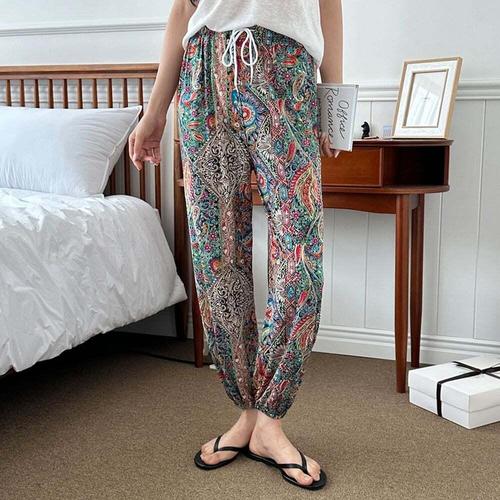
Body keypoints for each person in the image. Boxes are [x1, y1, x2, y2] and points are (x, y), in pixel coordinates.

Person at [129, 0, 343, 491]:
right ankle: (249, 414)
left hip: (284, 71)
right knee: (216, 259)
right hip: (202, 74)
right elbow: (183, 10)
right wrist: (155, 112)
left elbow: (329, 5)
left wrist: (332, 104)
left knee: (301, 256)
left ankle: (271, 416)